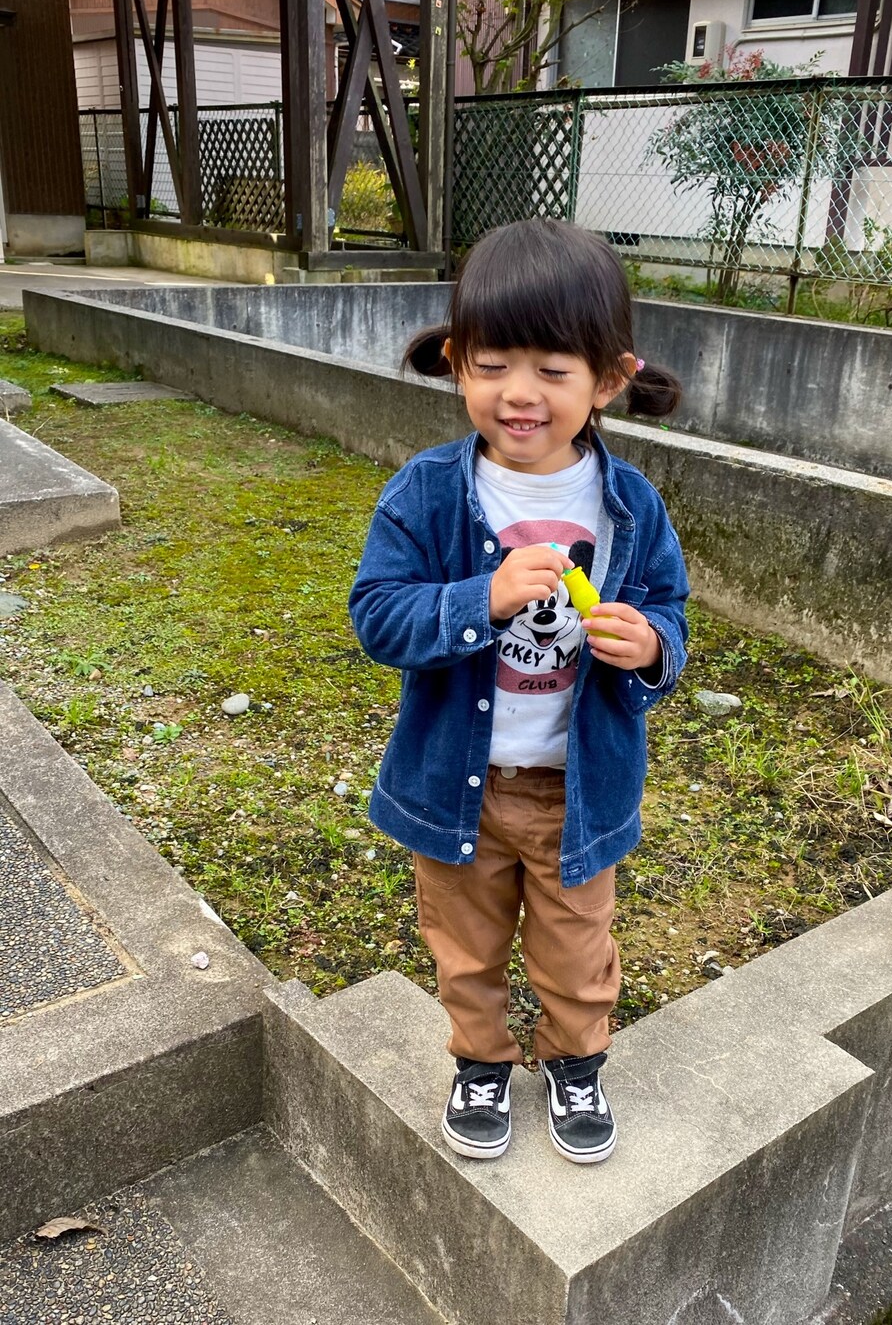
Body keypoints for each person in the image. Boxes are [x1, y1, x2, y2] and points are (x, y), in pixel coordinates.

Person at [349, 218, 689, 1165]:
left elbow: (670, 612)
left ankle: (575, 1060)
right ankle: (482, 1060)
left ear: (608, 379)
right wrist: (481, 598)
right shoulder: (425, 494)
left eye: (552, 369)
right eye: (493, 365)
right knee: (465, 945)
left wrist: (648, 646)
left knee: (577, 949)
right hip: (457, 779)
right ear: (458, 362)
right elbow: (378, 617)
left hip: (575, 788)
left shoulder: (630, 507)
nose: (520, 393)